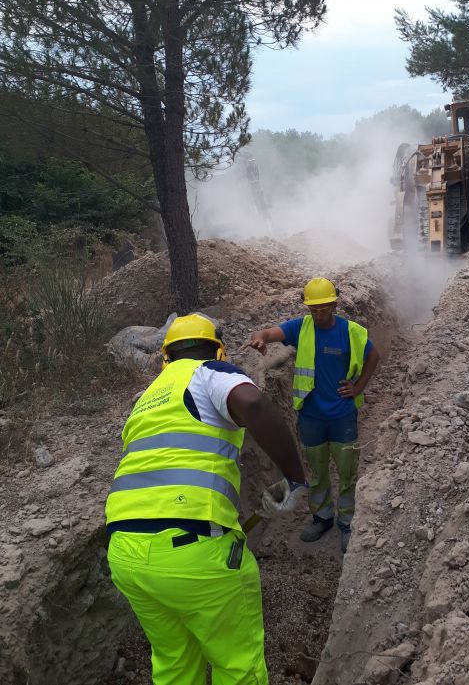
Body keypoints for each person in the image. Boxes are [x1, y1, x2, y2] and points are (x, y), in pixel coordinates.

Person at [105, 313, 307, 685]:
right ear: (218, 350)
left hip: (126, 553)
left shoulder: (147, 398)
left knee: (174, 664)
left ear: (165, 356)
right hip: (194, 549)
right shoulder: (210, 372)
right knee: (238, 666)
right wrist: (295, 479)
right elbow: (257, 406)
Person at [247, 277, 380, 554]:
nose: (318, 314)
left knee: (347, 473)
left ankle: (347, 522)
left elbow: (373, 356)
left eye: (323, 308)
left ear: (334, 304)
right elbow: (271, 333)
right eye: (313, 309)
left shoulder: (350, 331)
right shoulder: (301, 328)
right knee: (317, 473)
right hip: (310, 417)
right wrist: (260, 338)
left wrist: (358, 387)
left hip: (342, 416)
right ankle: (322, 518)